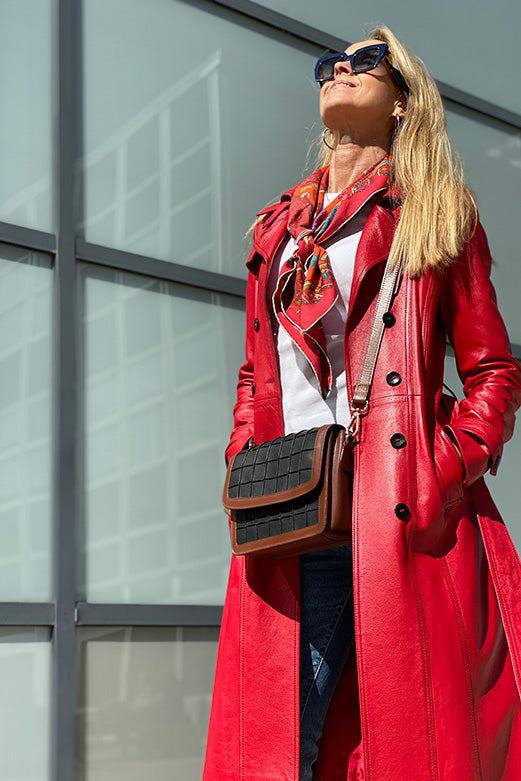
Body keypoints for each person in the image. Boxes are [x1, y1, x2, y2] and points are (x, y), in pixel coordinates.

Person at [203, 26, 521, 781]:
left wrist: (442, 468)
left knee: (403, 736)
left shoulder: (436, 212)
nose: (340, 69)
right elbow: (257, 373)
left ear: (402, 103)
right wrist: (243, 449)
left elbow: (493, 371)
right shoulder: (279, 228)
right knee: (279, 740)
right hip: (288, 501)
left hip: (396, 505)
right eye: (329, 64)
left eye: (366, 61)